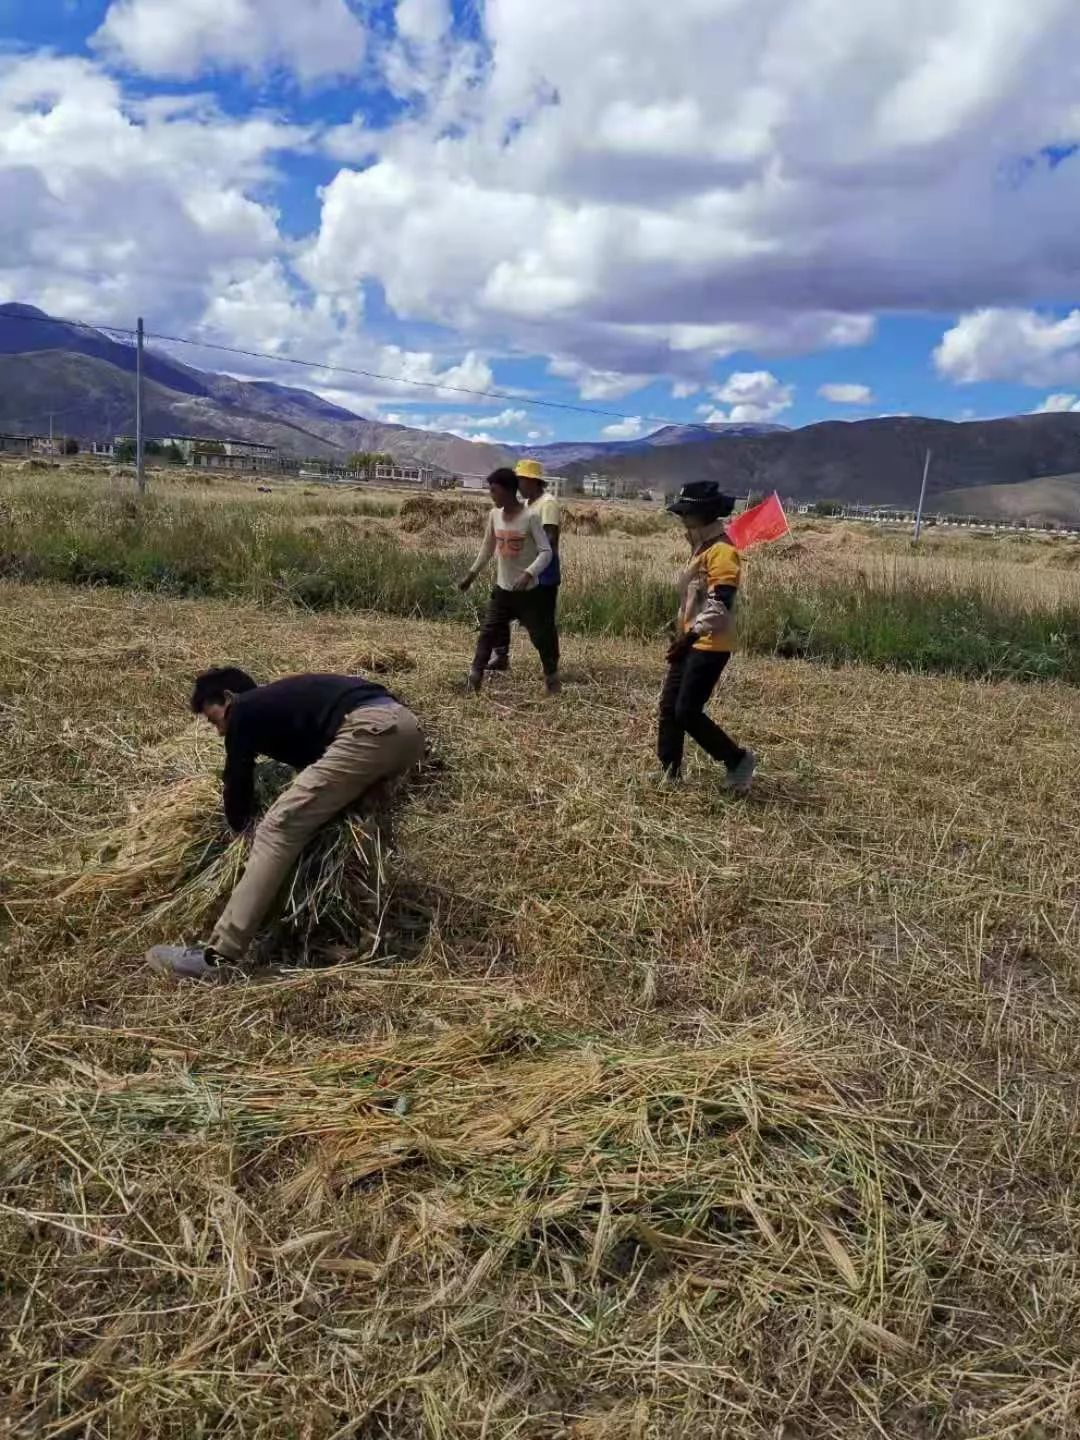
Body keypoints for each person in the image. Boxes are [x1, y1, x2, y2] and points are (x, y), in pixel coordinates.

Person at [146, 669, 425, 979]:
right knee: (345, 821)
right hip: (403, 727)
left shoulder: (244, 708)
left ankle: (219, 956)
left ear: (227, 698)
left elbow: (236, 779)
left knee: (276, 829)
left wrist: (240, 829)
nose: (219, 732)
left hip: (371, 729)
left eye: (214, 721)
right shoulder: (282, 706)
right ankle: (371, 920)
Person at [658, 480, 757, 790]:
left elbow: (720, 603)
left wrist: (689, 637)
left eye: (686, 513)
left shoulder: (723, 552)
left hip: (710, 644)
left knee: (686, 711)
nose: (682, 519)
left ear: (703, 515)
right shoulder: (701, 547)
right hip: (690, 640)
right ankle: (669, 773)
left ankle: (737, 760)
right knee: (669, 707)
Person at [459, 467, 560, 694]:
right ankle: (474, 679)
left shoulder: (531, 517)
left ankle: (552, 678)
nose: (491, 495)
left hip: (529, 594)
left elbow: (546, 552)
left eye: (494, 491)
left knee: (540, 637)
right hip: (503, 590)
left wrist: (529, 573)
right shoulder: (494, 516)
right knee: (487, 633)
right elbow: (487, 548)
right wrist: (471, 574)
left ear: (508, 491)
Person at [485, 459, 562, 674]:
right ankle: (501, 656)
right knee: (498, 610)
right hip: (520, 571)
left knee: (542, 623)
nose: (517, 486)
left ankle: (551, 666)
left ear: (532, 481)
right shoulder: (528, 504)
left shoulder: (547, 503)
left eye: (519, 481)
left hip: (543, 573)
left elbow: (549, 539)